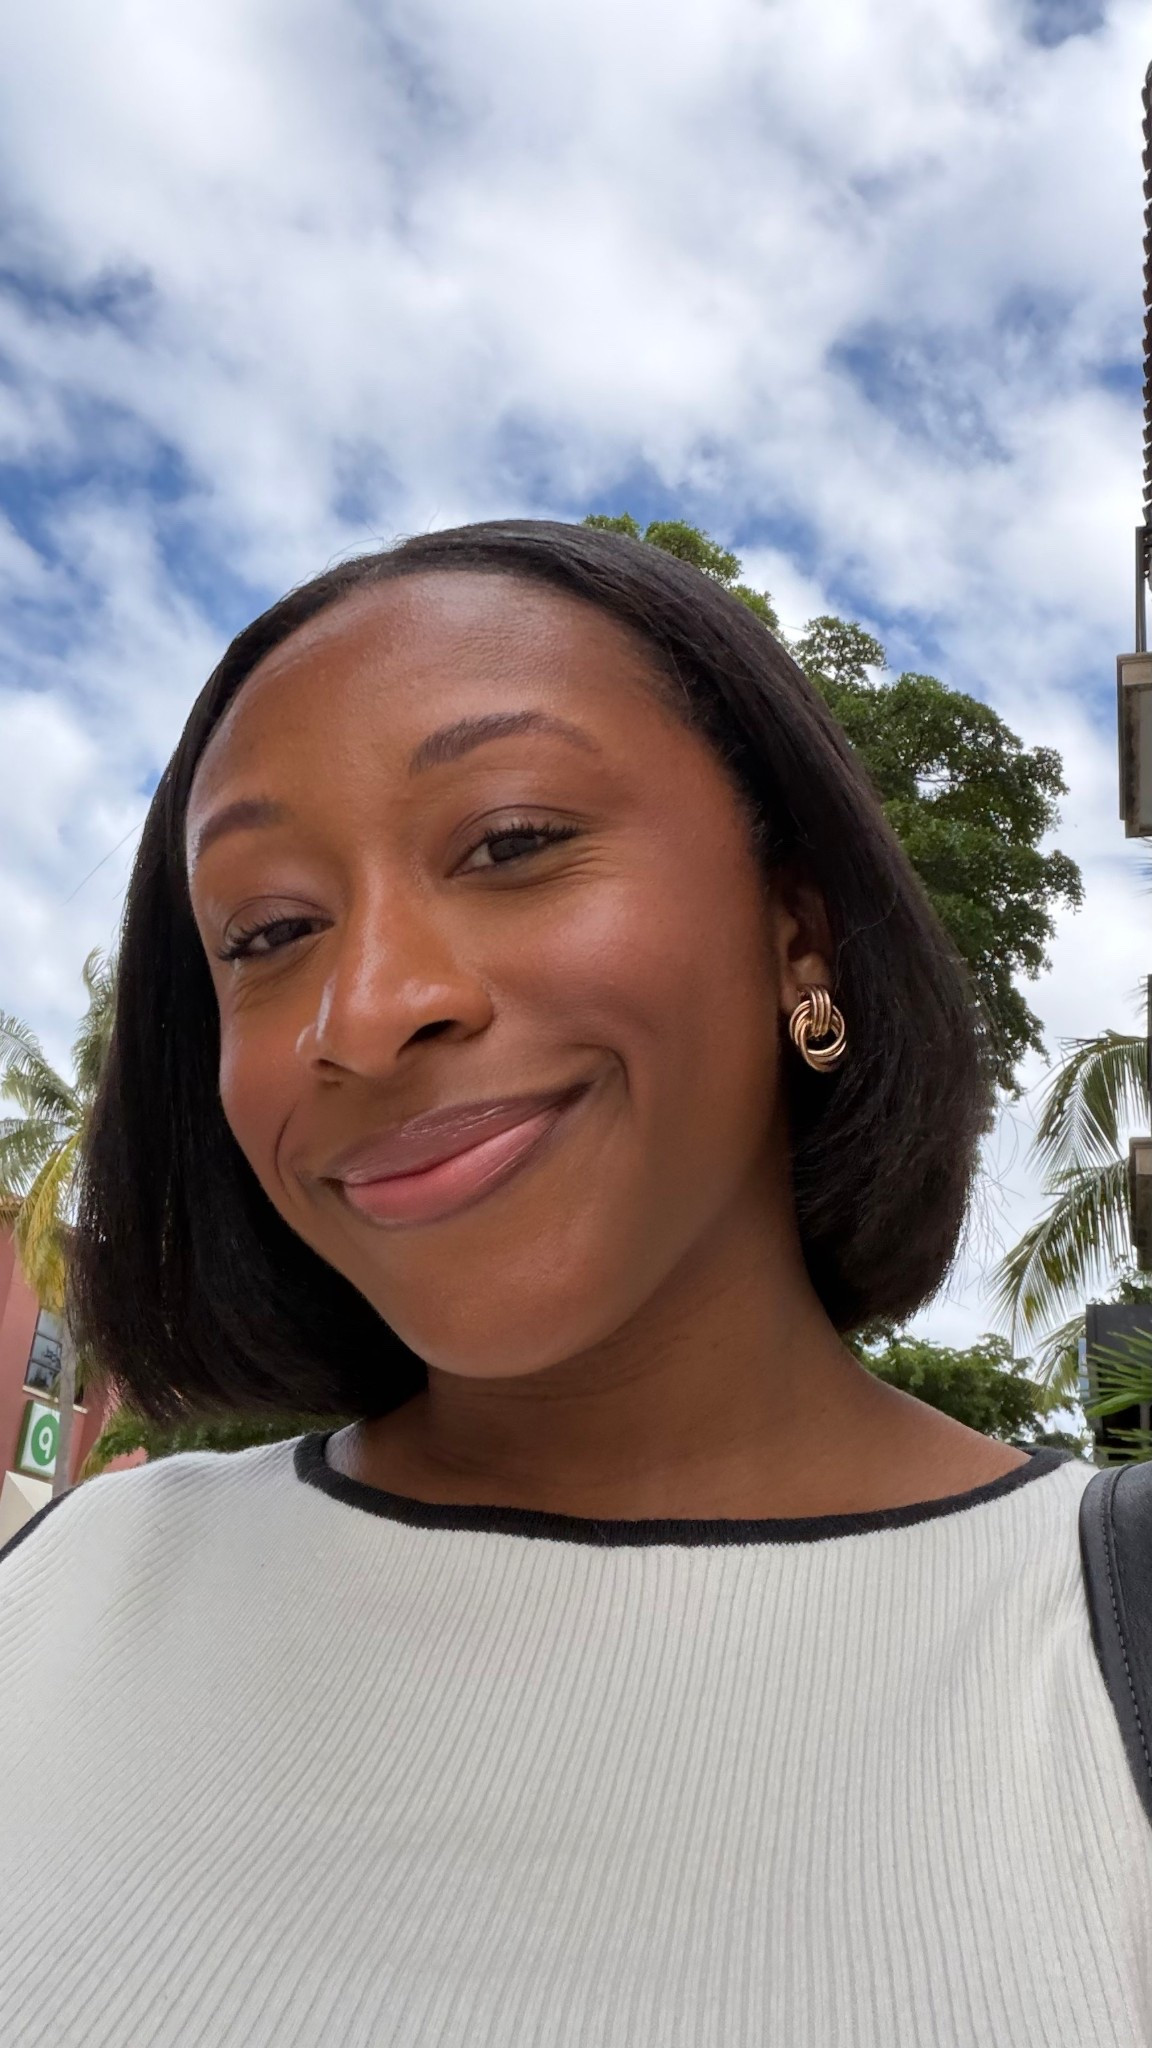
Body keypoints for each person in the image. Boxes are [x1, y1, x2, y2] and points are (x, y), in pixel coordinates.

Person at [0, 520, 1147, 2047]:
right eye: (270, 932)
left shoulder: (1096, 1629)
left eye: (513, 841)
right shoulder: (74, 1586)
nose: (370, 1009)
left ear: (793, 930)